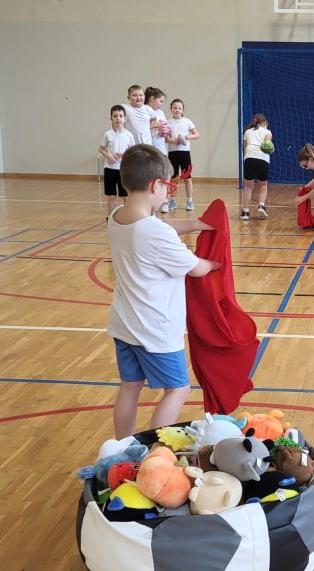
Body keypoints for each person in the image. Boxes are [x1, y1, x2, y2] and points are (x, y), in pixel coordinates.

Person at [107, 144, 220, 439]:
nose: (168, 193)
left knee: (130, 386)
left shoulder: (117, 216)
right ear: (154, 185)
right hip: (155, 330)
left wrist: (194, 224)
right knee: (178, 389)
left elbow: (160, 226)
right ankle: (154, 451)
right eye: (168, 187)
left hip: (124, 325)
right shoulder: (153, 232)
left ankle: (123, 446)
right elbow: (196, 268)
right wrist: (214, 263)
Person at [98, 104, 135, 214]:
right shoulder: (107, 134)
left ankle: (127, 216)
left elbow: (133, 151)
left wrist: (124, 154)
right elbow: (101, 149)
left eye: (120, 116)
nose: (118, 118)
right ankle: (111, 217)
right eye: (115, 116)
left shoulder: (129, 135)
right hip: (109, 169)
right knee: (111, 195)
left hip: (123, 170)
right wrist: (109, 156)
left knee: (125, 196)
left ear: (125, 119)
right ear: (111, 119)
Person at [165, 98, 200, 212]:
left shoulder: (187, 121)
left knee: (187, 178)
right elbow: (165, 139)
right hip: (173, 153)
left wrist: (188, 137)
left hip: (185, 152)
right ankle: (173, 201)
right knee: (173, 178)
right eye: (175, 108)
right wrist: (174, 140)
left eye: (179, 108)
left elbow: (197, 134)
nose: (177, 110)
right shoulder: (168, 122)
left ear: (183, 110)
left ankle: (189, 201)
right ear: (171, 109)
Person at [241, 113, 272, 221]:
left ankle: (245, 212)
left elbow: (245, 148)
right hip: (262, 159)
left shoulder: (247, 132)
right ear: (265, 123)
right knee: (263, 185)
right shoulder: (267, 132)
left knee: (248, 186)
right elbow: (267, 145)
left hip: (249, 159)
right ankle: (261, 206)